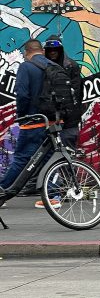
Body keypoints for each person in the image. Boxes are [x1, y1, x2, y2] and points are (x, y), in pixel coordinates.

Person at [0, 40, 52, 204]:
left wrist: (22, 115)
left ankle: (2, 191)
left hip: (33, 122)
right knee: (50, 160)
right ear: (42, 51)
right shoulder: (54, 66)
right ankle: (52, 195)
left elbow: (22, 95)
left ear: (26, 52)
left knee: (22, 159)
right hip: (53, 123)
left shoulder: (26, 67)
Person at [43, 35, 83, 149]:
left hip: (69, 121)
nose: (52, 52)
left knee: (68, 153)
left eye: (55, 49)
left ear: (61, 49)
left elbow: (76, 94)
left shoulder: (71, 66)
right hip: (49, 120)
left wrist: (70, 115)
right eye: (49, 50)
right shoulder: (43, 67)